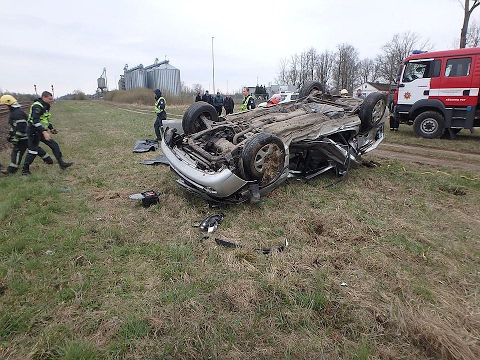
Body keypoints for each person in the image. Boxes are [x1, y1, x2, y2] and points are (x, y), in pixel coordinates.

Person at [22, 91, 73, 175]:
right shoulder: (37, 106)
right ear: (44, 97)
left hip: (41, 131)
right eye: (50, 99)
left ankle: (62, 164)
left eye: (52, 99)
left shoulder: (45, 106)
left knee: (54, 145)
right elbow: (35, 121)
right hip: (33, 131)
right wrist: (44, 132)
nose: (51, 100)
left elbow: (45, 120)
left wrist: (51, 128)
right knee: (33, 151)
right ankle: (25, 170)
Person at [0, 94, 53, 174]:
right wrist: (10, 135)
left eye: (5, 105)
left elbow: (22, 127)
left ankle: (11, 170)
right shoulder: (17, 112)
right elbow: (15, 126)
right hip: (29, 134)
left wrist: (16, 138)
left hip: (24, 136)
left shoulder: (16, 114)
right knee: (34, 148)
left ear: (9, 104)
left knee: (17, 151)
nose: (5, 107)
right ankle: (48, 159)